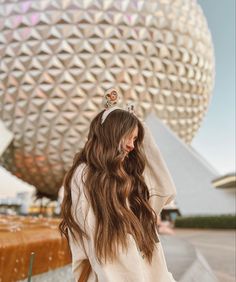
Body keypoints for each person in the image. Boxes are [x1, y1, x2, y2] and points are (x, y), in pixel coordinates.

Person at [59, 88, 177, 282]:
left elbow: (166, 190)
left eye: (135, 140)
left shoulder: (126, 178)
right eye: (128, 137)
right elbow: (97, 245)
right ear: (112, 134)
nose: (132, 146)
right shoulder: (85, 175)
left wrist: (140, 129)